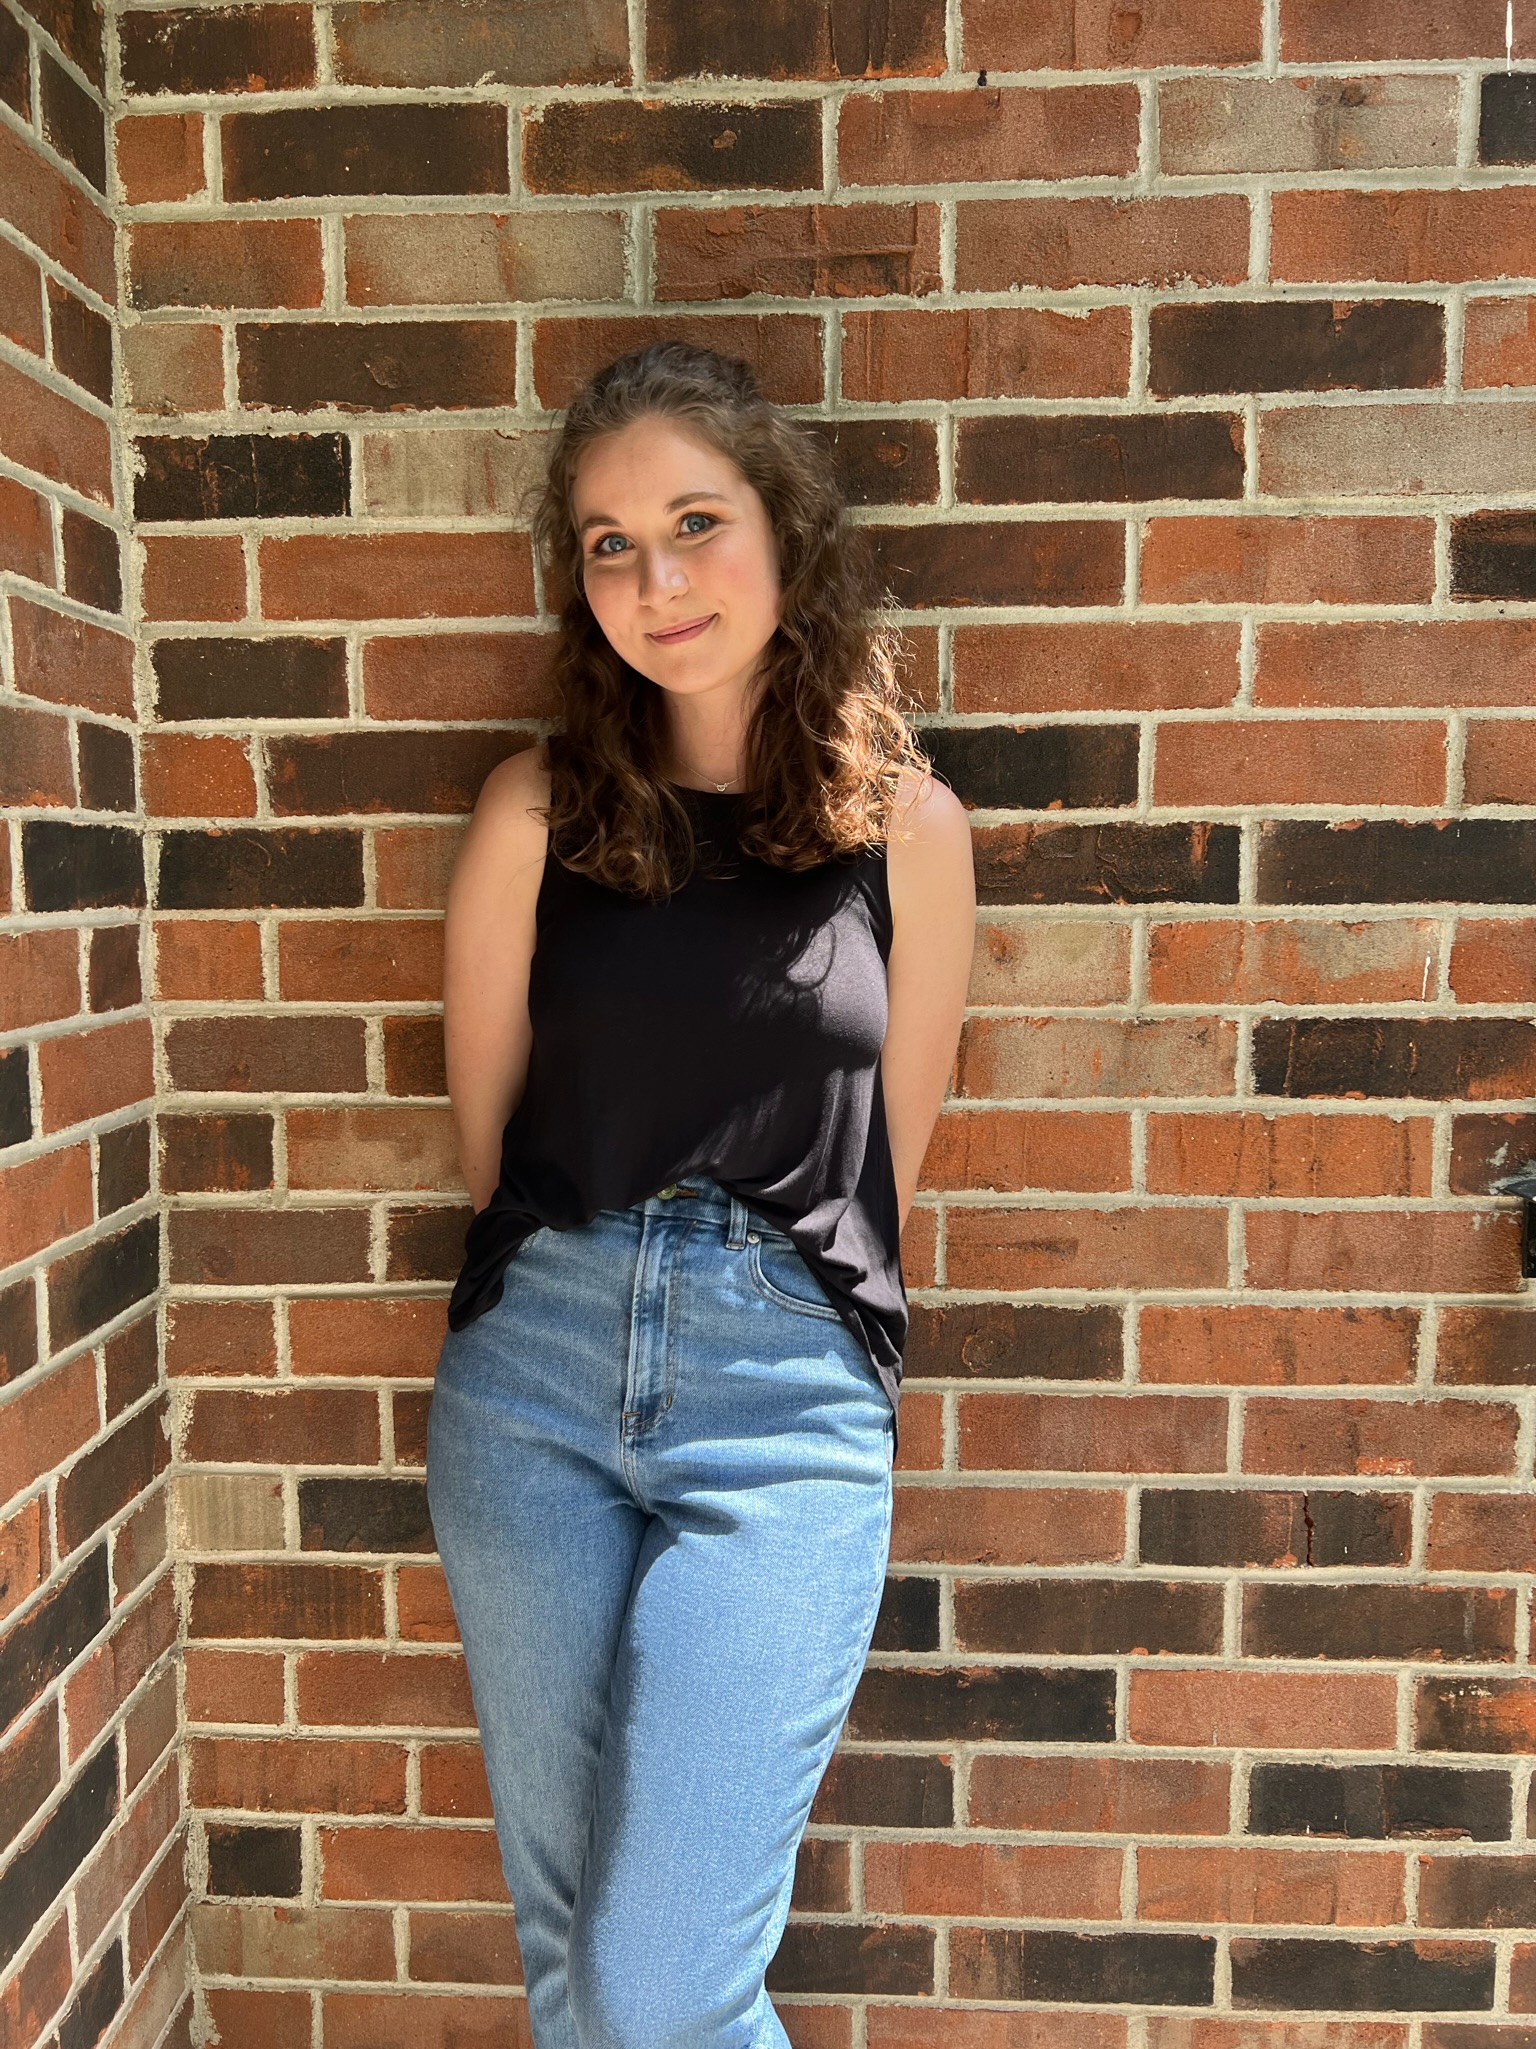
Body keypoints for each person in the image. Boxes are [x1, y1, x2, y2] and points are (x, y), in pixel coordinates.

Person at [425, 340, 976, 2049]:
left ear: (783, 533)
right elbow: (488, 1145)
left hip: (786, 1399)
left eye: (692, 523)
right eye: (606, 544)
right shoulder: (537, 814)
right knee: (571, 1953)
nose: (654, 582)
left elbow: (895, 1155)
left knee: (664, 1983)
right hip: (537, 1382)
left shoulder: (909, 827)